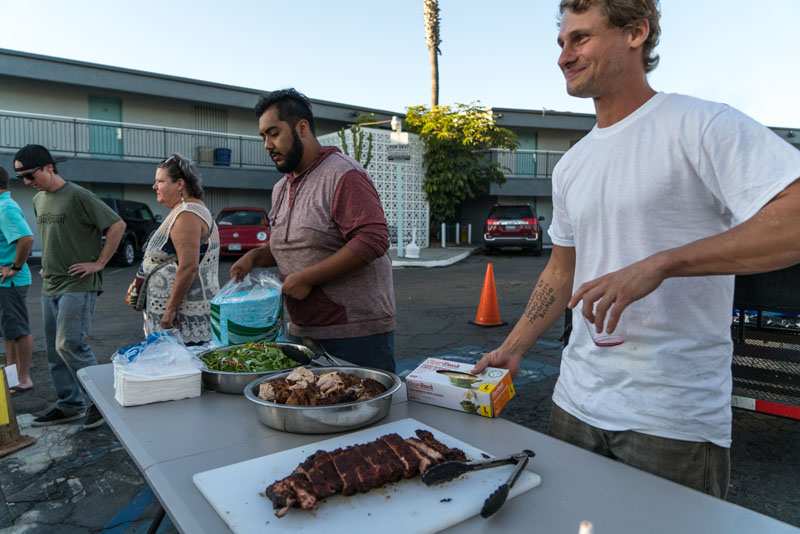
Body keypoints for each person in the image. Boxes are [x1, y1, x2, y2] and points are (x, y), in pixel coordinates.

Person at [472, 0, 800, 499]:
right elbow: (561, 271)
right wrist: (513, 348)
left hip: (671, 421)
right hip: (575, 404)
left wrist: (664, 263)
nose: (564, 55)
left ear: (636, 33)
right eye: (561, 43)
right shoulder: (572, 164)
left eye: (580, 38)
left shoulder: (701, 124)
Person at [231, 88, 396, 372]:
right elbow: (297, 243)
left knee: (362, 413)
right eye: (263, 137)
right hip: (302, 330)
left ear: (302, 128)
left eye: (273, 133)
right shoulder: (281, 188)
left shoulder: (343, 174)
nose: (267, 145)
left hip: (355, 334)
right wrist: (256, 258)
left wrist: (307, 278)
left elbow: (373, 239)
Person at [14, 144, 126, 429]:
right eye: (21, 178)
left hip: (79, 283)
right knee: (55, 350)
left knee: (70, 344)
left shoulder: (78, 195)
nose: (27, 183)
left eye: (29, 175)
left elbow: (117, 226)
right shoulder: (40, 199)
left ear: (49, 167)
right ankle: (70, 404)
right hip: (51, 283)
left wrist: (99, 263)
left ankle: (102, 402)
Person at [138, 154, 219, 344]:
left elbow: (189, 267)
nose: (154, 186)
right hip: (178, 313)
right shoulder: (188, 210)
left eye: (160, 181)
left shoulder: (187, 215)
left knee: (180, 367)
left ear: (180, 184)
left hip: (180, 317)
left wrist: (170, 310)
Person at [0, 166, 35, 394]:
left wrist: (15, 266)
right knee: (9, 332)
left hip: (11, 281)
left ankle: (23, 379)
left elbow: (26, 238)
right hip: (5, 282)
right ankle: (12, 378)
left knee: (18, 330)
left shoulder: (5, 208)